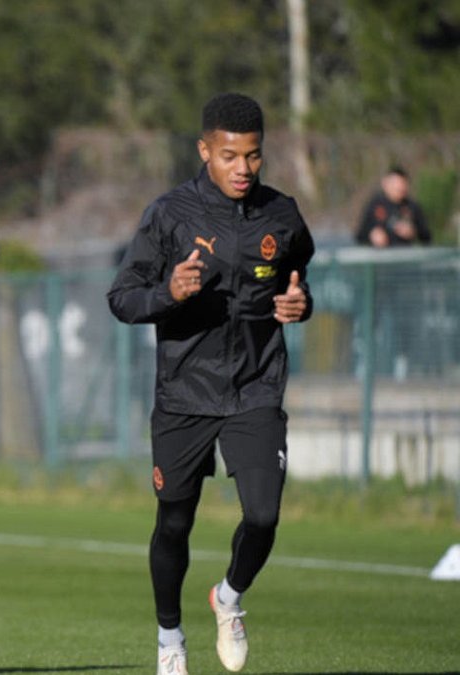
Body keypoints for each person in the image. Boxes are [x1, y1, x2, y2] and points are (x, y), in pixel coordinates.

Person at [107, 93, 314, 675]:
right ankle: (170, 640)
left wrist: (301, 302)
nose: (243, 168)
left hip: (256, 387)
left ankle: (228, 597)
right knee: (174, 522)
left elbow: (298, 280)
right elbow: (122, 298)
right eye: (229, 156)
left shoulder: (282, 215)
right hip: (184, 393)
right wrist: (168, 293)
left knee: (264, 515)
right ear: (204, 151)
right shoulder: (169, 214)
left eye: (253, 156)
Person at [354, 166, 430, 247]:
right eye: (394, 184)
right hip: (381, 253)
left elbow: (427, 237)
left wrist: (412, 232)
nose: (398, 188)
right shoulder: (375, 205)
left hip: (404, 253)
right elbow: (360, 236)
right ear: (385, 184)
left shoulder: (412, 206)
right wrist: (372, 235)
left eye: (401, 184)